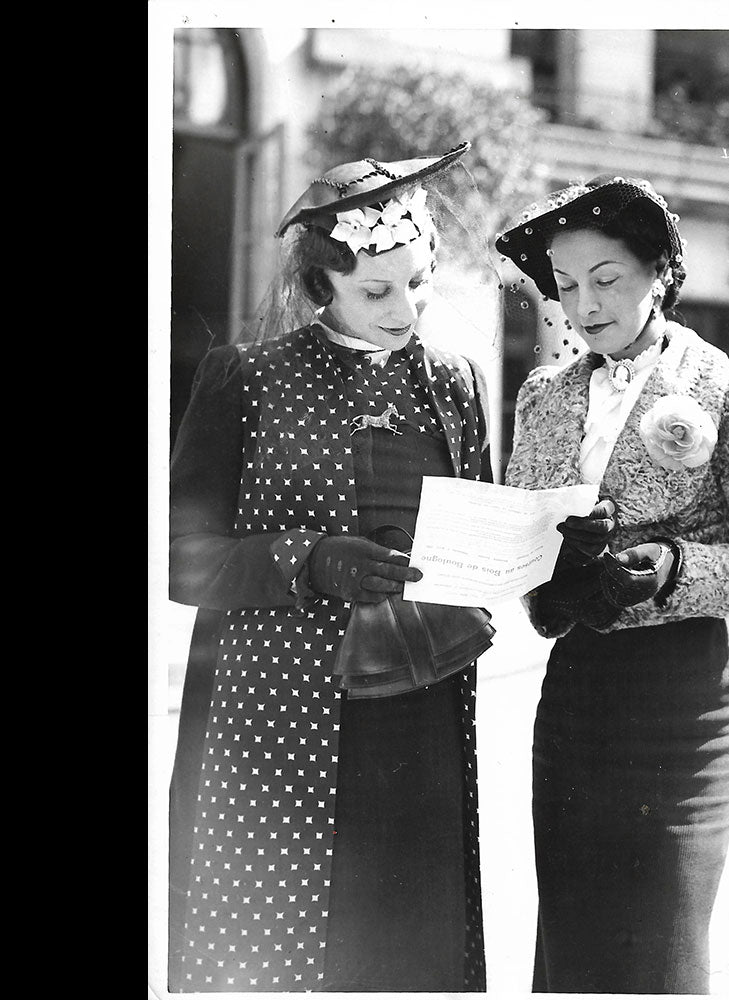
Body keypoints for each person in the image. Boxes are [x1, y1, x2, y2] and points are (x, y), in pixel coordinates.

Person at [167, 142, 493, 993]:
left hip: (417, 715)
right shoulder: (247, 378)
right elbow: (181, 559)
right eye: (376, 291)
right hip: (277, 720)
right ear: (322, 286)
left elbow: (480, 532)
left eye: (420, 282)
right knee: (280, 953)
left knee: (405, 949)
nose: (406, 308)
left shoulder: (453, 383)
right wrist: (309, 561)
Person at [495, 174, 729, 994]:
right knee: (573, 944)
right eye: (566, 287)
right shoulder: (544, 398)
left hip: (682, 711)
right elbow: (531, 577)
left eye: (606, 279)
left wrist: (674, 569)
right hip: (575, 703)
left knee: (659, 950)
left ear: (660, 274)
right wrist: (559, 581)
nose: (585, 306)